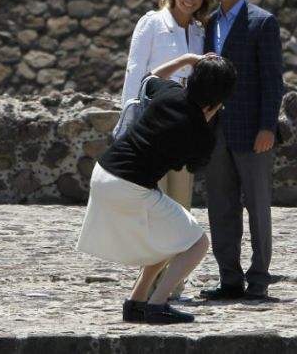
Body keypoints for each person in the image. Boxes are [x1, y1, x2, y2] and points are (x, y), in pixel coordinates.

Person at [78, 54, 237, 324]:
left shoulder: (170, 93)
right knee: (197, 243)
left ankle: (136, 302)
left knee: (170, 236)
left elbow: (151, 77)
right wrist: (208, 118)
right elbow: (193, 166)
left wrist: (186, 59)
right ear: (219, 100)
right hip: (129, 185)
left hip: (104, 171)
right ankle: (158, 303)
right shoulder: (200, 133)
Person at [119, 0, 214, 300]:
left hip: (186, 127)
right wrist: (129, 116)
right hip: (154, 125)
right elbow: (135, 70)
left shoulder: (201, 32)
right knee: (154, 207)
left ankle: (172, 283)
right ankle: (147, 286)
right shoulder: (152, 23)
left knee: (180, 206)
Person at [199, 0, 284, 301]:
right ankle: (229, 279)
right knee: (221, 206)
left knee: (258, 207)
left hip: (252, 131)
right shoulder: (209, 23)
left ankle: (260, 278)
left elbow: (273, 80)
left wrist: (268, 127)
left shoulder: (263, 22)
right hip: (215, 130)